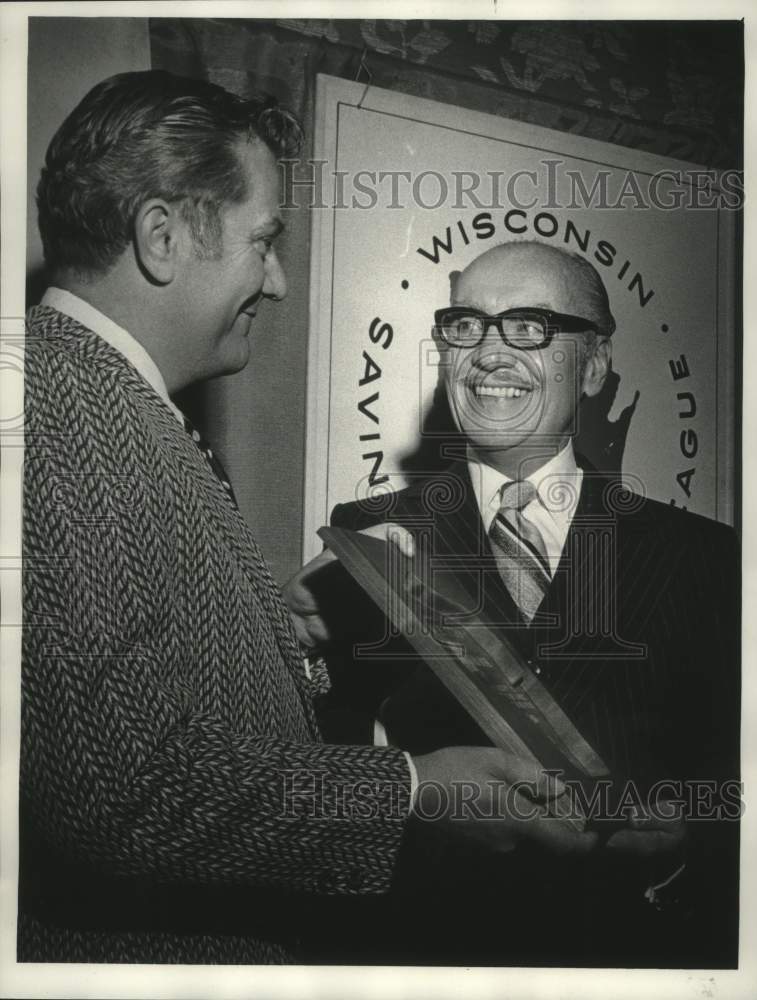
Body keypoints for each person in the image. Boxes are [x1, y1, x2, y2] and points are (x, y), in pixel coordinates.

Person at [20, 73, 597, 965]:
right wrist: (410, 793)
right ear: (163, 238)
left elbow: (148, 710)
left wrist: (288, 643)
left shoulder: (101, 403)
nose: (279, 282)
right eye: (264, 241)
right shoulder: (68, 407)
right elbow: (114, 791)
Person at [324, 241, 741, 967]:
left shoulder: (704, 557)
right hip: (429, 958)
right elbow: (328, 760)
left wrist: (681, 861)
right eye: (465, 326)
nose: (489, 353)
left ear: (596, 364)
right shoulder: (369, 536)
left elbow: (735, 790)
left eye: (528, 327)